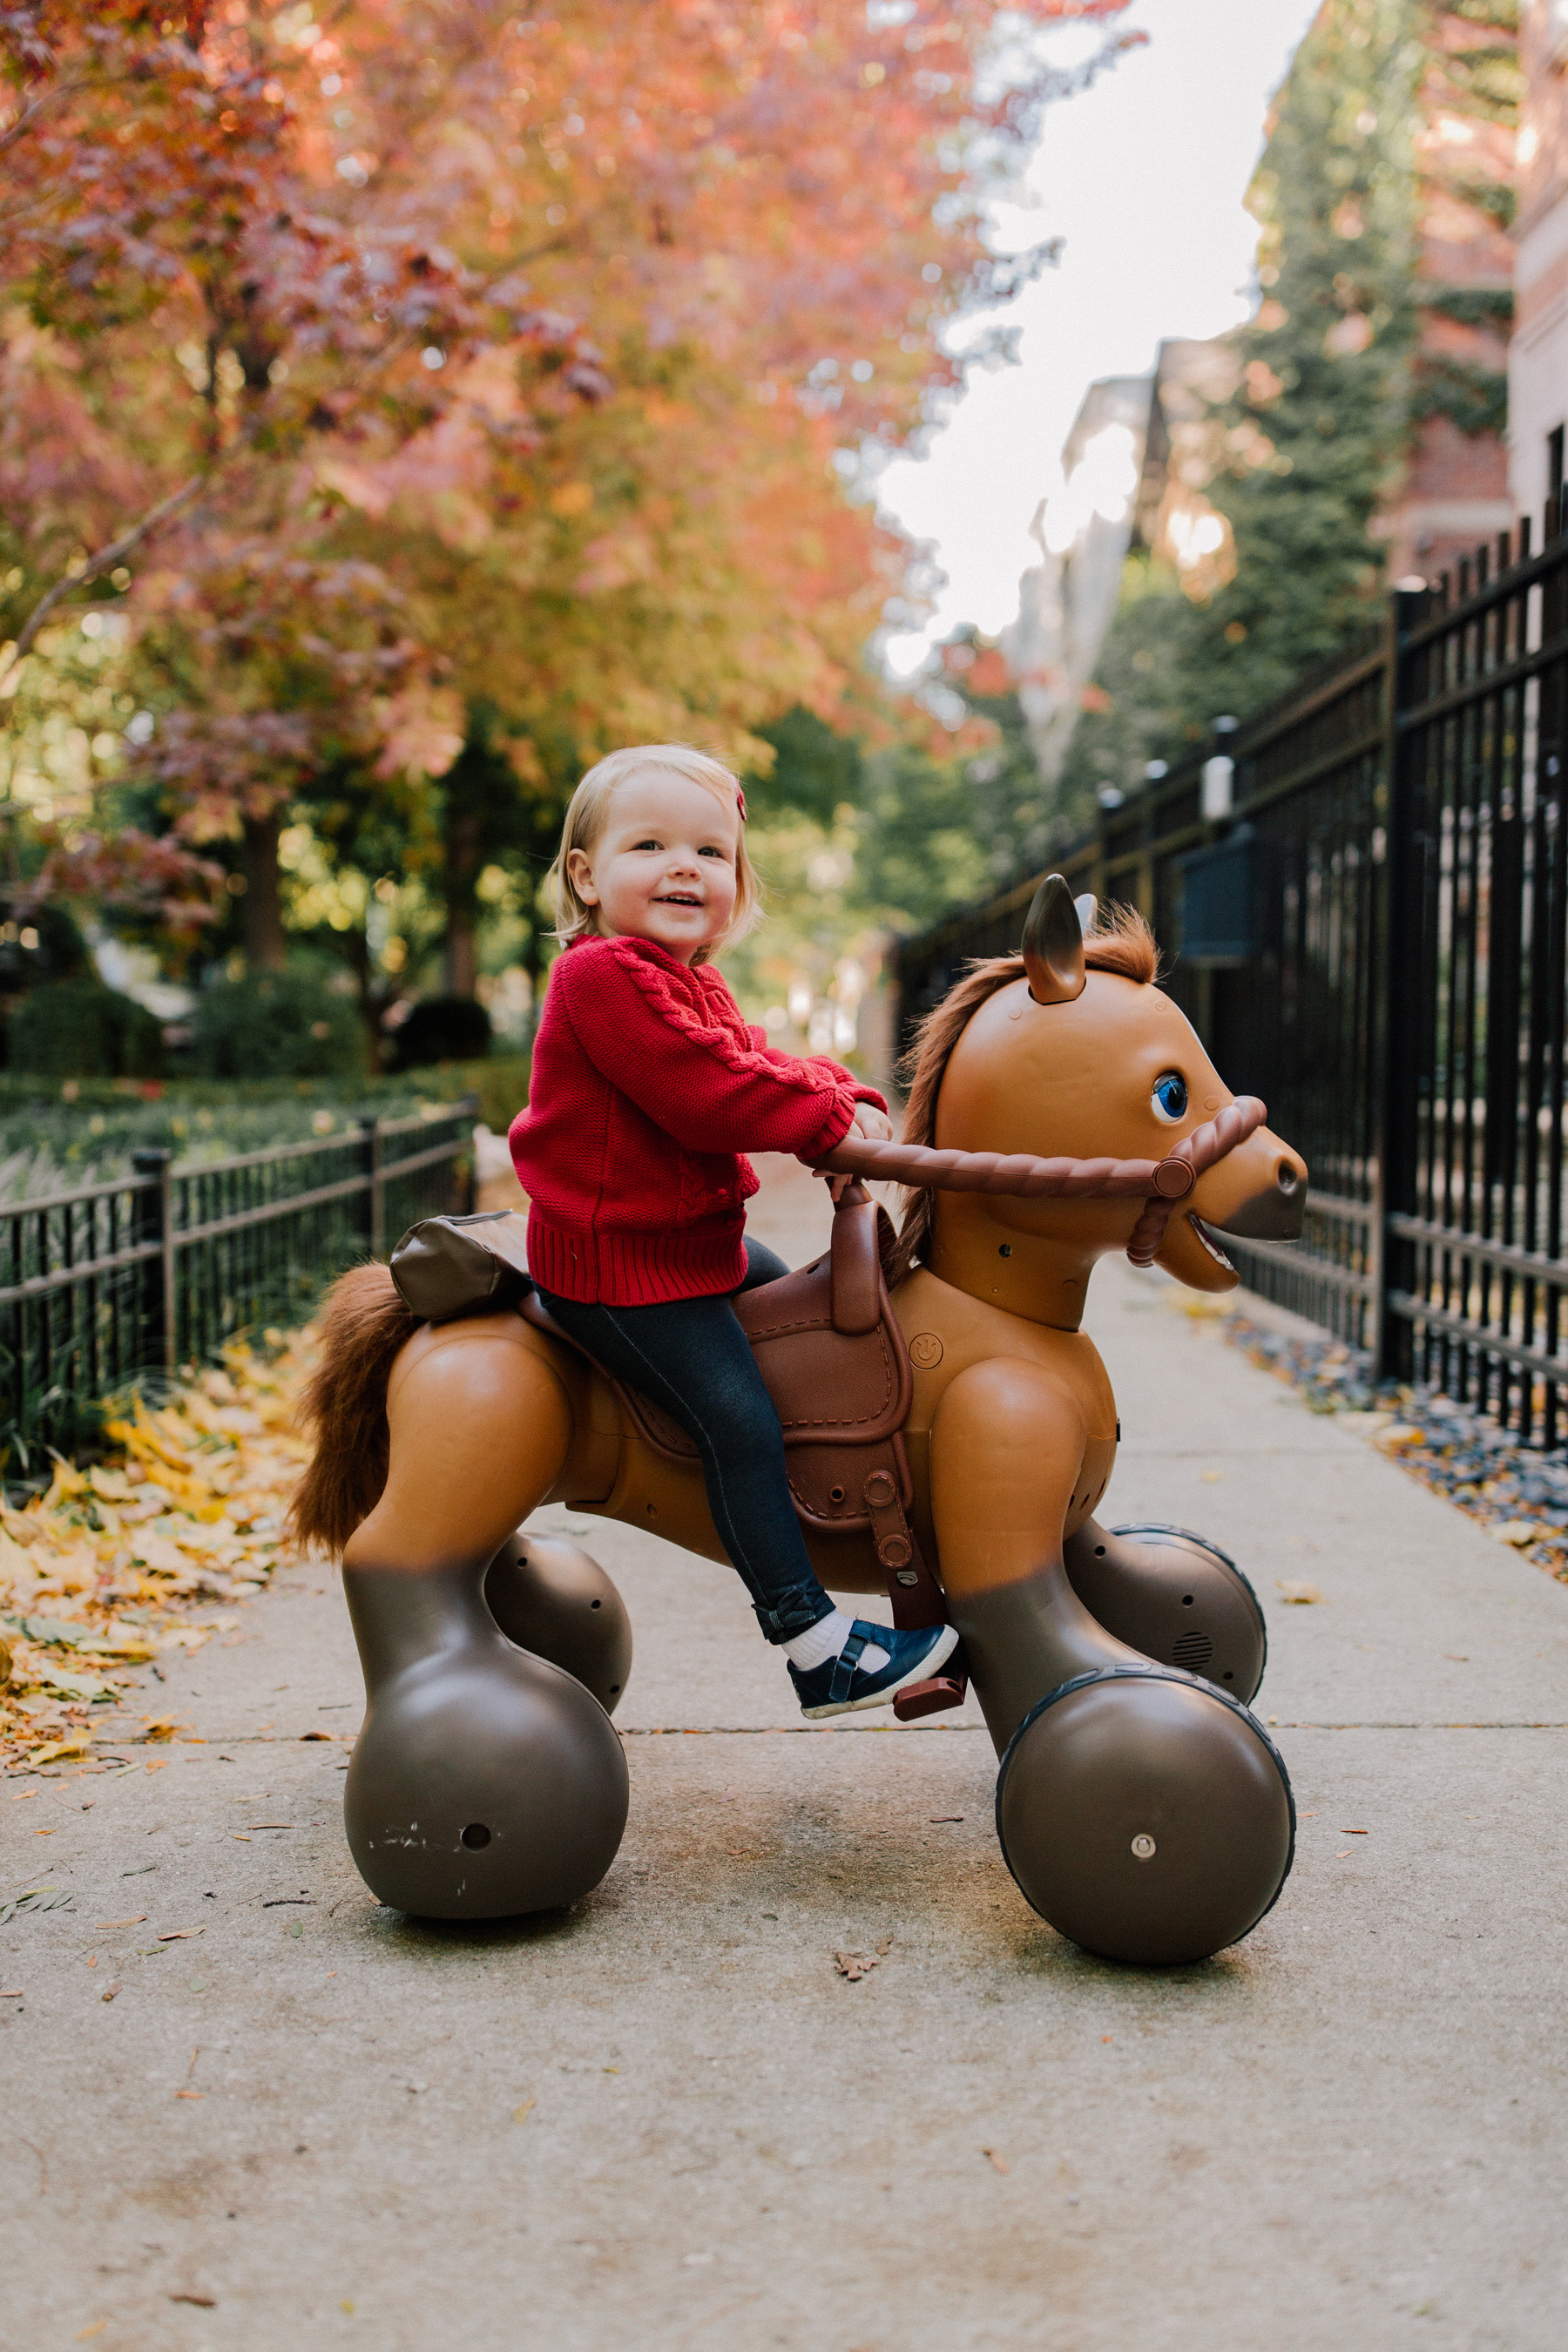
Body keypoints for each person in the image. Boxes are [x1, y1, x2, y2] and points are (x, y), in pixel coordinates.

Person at [509, 742, 959, 1718]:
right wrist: (824, 1122)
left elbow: (750, 1057)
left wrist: (842, 1095)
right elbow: (710, 1095)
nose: (685, 866)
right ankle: (811, 1642)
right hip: (618, 1269)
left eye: (712, 852)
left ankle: (869, 1508)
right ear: (586, 876)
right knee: (742, 1420)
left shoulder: (686, 981)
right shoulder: (602, 979)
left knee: (806, 1325)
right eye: (651, 845)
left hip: (688, 1247)